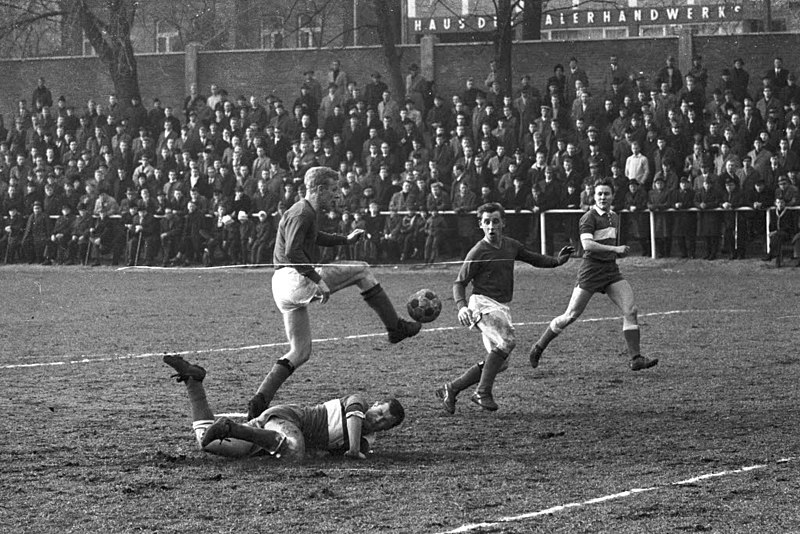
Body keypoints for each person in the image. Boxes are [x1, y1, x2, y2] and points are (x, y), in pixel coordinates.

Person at [247, 167, 421, 419]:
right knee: (362, 270)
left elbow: (315, 237)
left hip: (281, 286)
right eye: (333, 189)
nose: (337, 195)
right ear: (319, 190)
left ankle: (259, 400)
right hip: (294, 277)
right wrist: (318, 280)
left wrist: (346, 240)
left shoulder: (301, 210)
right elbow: (295, 252)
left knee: (300, 352)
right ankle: (395, 327)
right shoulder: (303, 213)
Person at [435, 202, 574, 414]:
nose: (491, 226)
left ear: (503, 223)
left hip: (500, 307)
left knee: (501, 363)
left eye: (495, 221)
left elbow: (533, 258)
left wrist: (557, 261)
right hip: (481, 304)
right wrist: (462, 307)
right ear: (480, 225)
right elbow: (459, 283)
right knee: (508, 340)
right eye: (486, 222)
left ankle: (452, 388)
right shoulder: (478, 251)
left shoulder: (510, 245)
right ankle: (482, 392)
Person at [163, 355, 404, 461]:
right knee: (294, 451)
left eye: (386, 423)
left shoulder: (366, 441)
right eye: (380, 412)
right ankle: (231, 427)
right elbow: (353, 418)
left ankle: (193, 381)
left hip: (271, 435)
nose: (379, 420)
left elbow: (329, 453)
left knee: (208, 442)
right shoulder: (358, 403)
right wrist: (353, 450)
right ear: (374, 404)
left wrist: (350, 451)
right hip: (290, 418)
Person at [528, 178, 659, 372]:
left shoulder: (614, 216)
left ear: (612, 195)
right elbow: (587, 245)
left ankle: (635, 358)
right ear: (594, 196)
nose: (603, 197)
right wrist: (615, 249)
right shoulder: (588, 217)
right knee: (570, 315)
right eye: (599, 194)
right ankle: (539, 346)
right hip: (591, 270)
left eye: (607, 193)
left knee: (630, 310)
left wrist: (616, 252)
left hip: (610, 271)